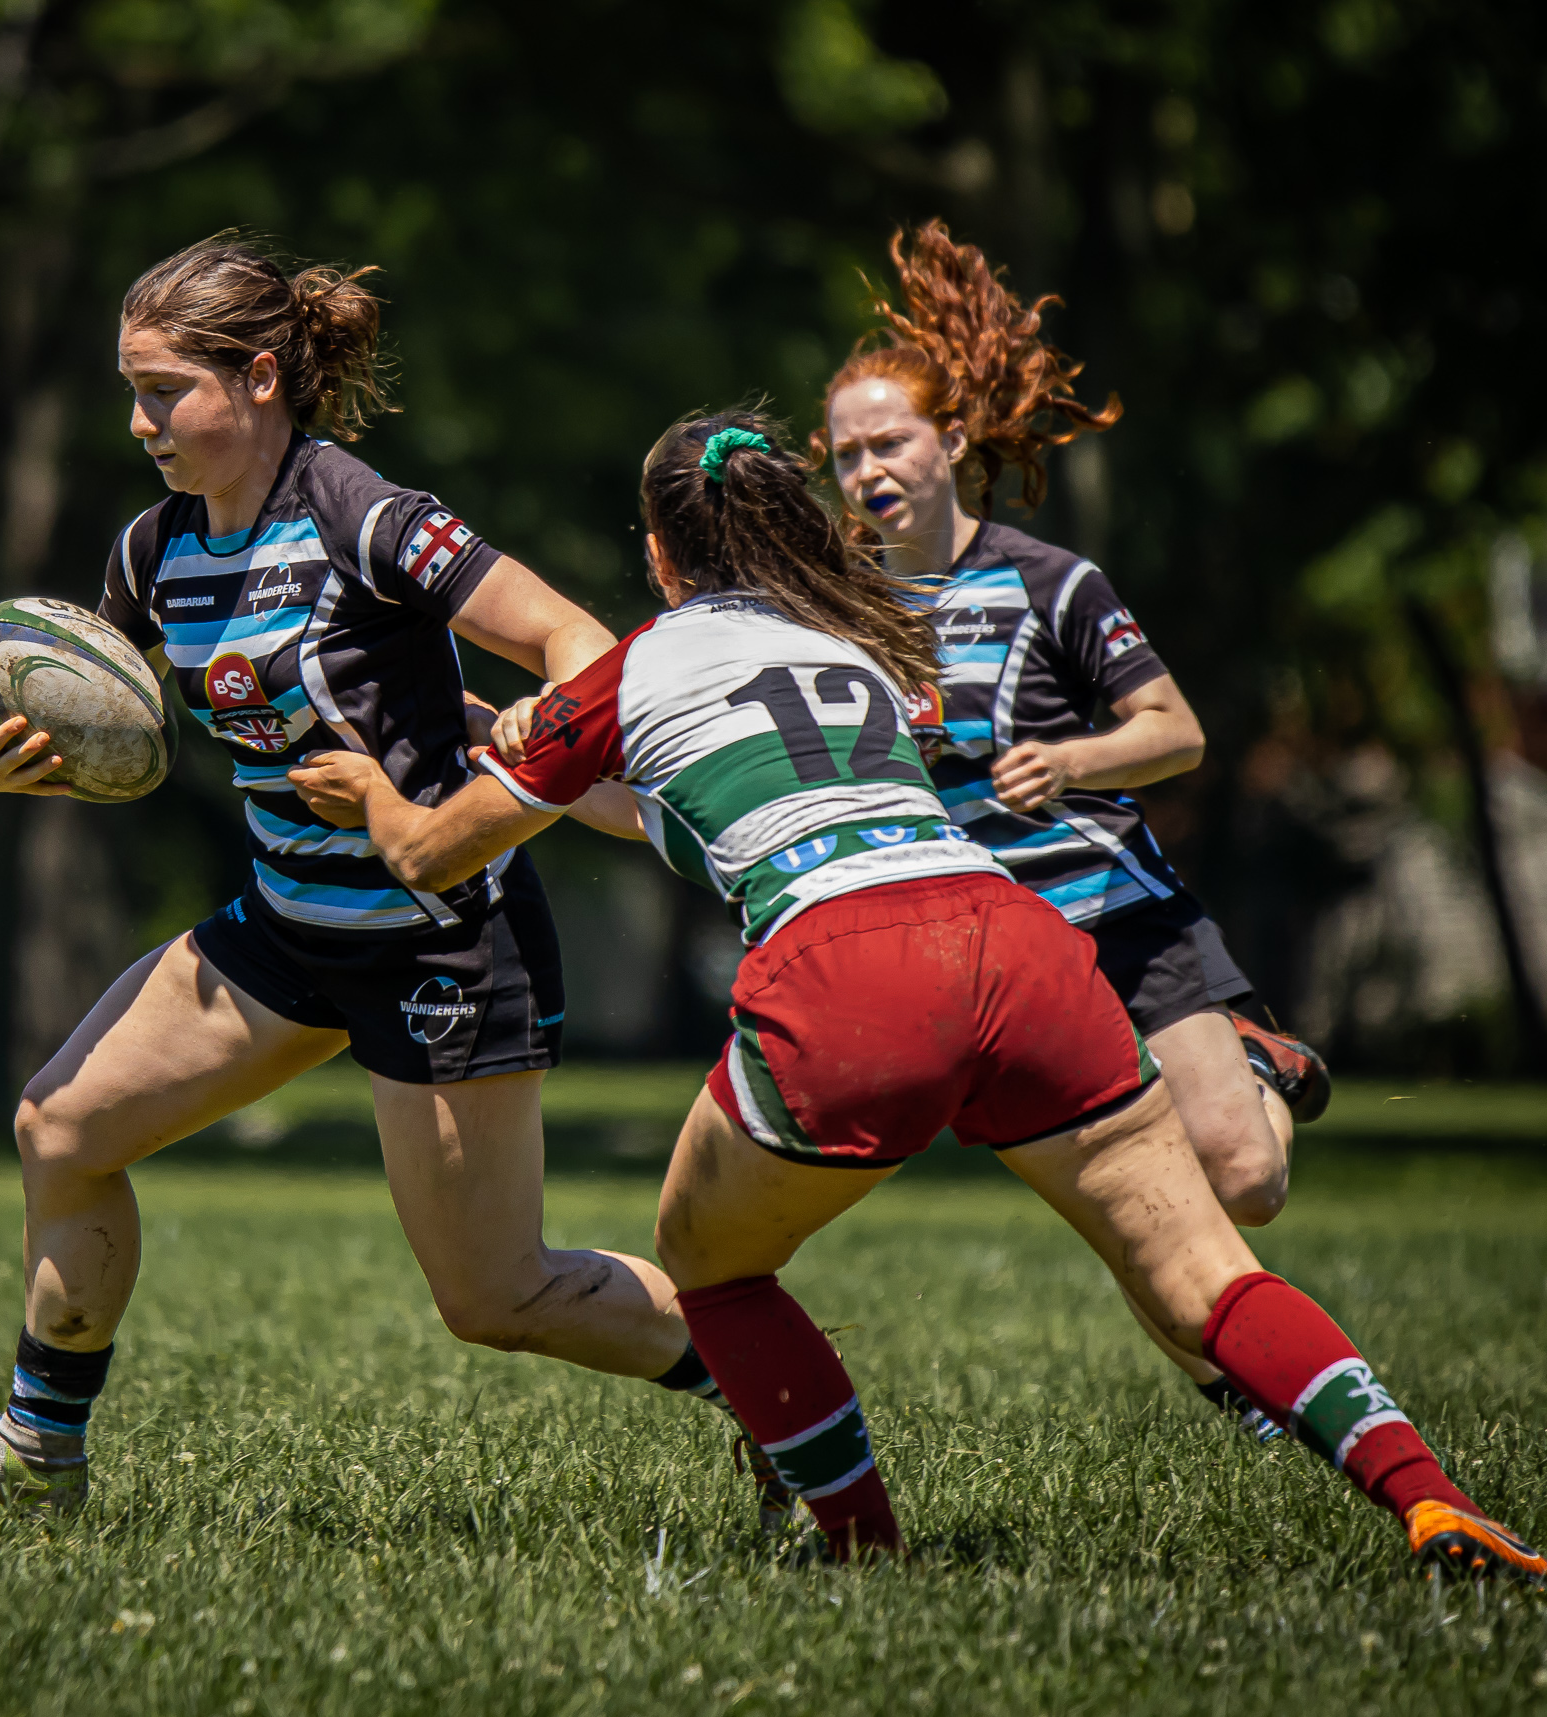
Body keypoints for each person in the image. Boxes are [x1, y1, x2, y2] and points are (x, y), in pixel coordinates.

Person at [289, 408, 1544, 1583]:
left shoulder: (624, 670)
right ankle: (1429, 1496)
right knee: (1200, 1276)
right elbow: (693, 796)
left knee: (703, 1260)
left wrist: (378, 793)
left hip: (843, 968)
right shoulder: (857, 650)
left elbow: (427, 855)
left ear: (661, 554)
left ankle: (858, 1549)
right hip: (1018, 941)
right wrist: (545, 750)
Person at [0, 236, 740, 1513]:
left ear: (260, 376)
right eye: (131, 389)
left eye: (164, 389)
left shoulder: (365, 517)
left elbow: (578, 643)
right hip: (284, 923)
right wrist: (16, 771)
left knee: (493, 1296)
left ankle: (781, 1392)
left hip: (439, 933)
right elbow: (111, 742)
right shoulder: (152, 554)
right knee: (62, 1126)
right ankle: (39, 1447)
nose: (138, 420)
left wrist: (518, 761)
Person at [815, 221, 1330, 1436]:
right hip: (999, 959)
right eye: (842, 455)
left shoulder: (1051, 582)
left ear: (951, 443)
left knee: (1243, 1180)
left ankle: (1257, 1062)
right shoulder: (839, 613)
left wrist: (1073, 758)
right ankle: (1238, 1388)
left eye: (887, 441)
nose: (865, 470)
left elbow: (1176, 730)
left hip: (1120, 918)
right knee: (1122, 1200)